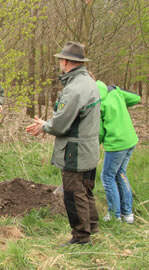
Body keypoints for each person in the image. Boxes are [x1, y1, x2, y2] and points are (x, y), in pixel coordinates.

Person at [26, 41, 101, 246]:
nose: (60, 62)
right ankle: (92, 226)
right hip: (90, 147)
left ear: (66, 62)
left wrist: (45, 126)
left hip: (75, 150)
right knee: (86, 189)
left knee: (73, 193)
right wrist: (48, 124)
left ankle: (81, 237)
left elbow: (61, 124)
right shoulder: (89, 82)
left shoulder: (74, 88)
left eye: (61, 59)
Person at [95, 79, 140, 224]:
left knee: (108, 176)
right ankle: (128, 214)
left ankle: (115, 215)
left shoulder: (98, 102)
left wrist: (97, 142)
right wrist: (118, 90)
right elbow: (136, 98)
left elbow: (100, 131)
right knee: (120, 173)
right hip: (130, 140)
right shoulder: (114, 92)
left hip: (117, 144)